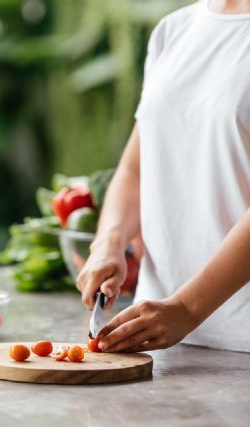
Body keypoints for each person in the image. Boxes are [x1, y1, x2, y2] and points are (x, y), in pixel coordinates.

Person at [76, 0, 250, 353]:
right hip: (153, 340)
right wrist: (109, 242)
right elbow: (135, 168)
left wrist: (186, 308)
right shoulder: (173, 30)